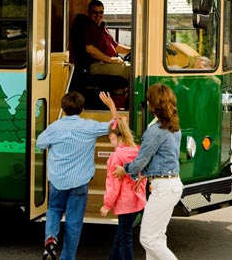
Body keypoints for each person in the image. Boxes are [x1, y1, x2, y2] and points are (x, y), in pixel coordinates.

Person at [37, 91, 116, 260]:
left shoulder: (55, 127)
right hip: (80, 182)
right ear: (82, 108)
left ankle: (51, 238)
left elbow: (40, 143)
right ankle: (68, 257)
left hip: (57, 180)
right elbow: (114, 125)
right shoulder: (90, 126)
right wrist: (111, 106)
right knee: (74, 221)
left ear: (63, 108)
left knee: (54, 209)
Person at [112, 83, 182, 260]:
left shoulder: (155, 131)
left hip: (164, 187)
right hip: (171, 184)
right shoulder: (174, 126)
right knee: (157, 237)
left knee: (148, 239)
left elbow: (141, 161)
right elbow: (162, 159)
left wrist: (125, 170)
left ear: (151, 105)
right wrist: (143, 174)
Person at [100, 103, 146, 260]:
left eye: (111, 137)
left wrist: (107, 204)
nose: (110, 140)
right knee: (121, 234)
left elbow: (113, 184)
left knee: (125, 238)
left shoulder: (116, 157)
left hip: (124, 202)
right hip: (137, 199)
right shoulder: (136, 151)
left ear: (116, 136)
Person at [85, 0, 131, 80]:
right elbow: (90, 49)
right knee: (132, 71)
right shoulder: (88, 26)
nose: (98, 15)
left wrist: (132, 50)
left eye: (101, 12)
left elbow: (115, 46)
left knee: (133, 67)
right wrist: (110, 60)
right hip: (97, 65)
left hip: (108, 63)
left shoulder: (102, 27)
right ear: (88, 12)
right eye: (95, 12)